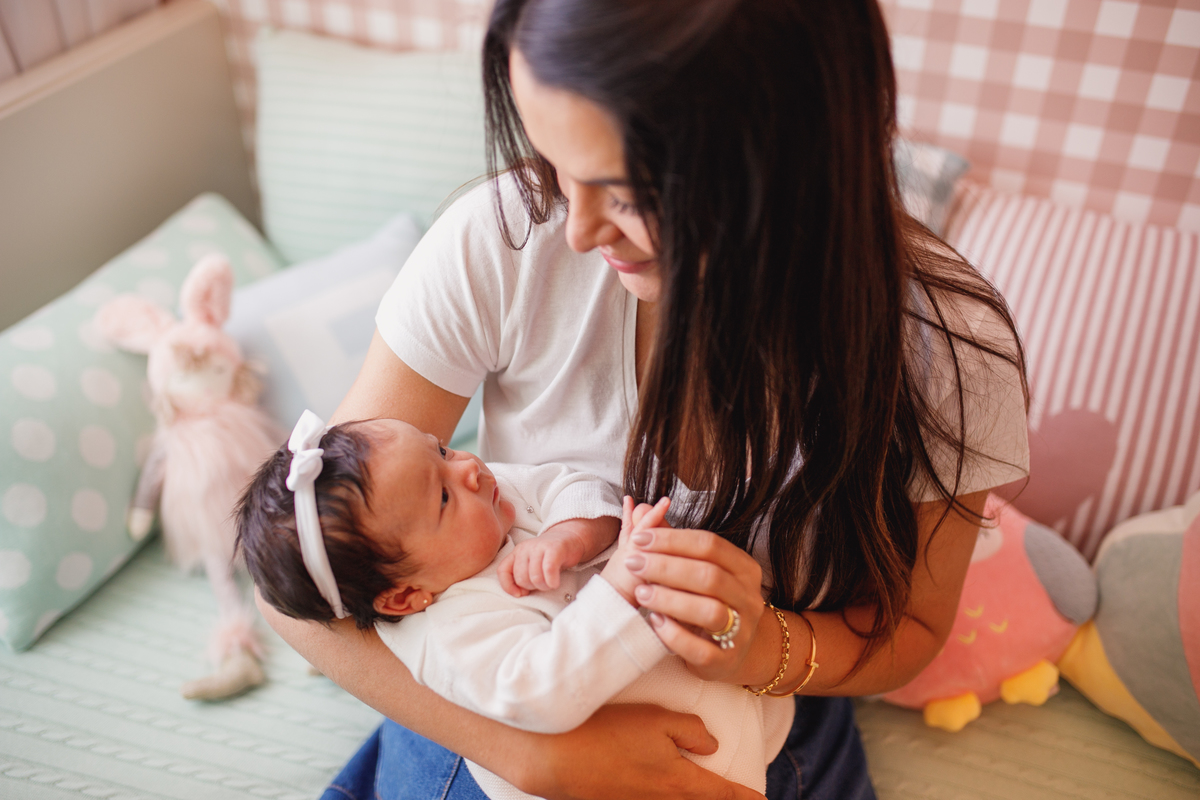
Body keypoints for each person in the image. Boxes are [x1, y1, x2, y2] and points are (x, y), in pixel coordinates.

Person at [258, 2, 1030, 799]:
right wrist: (534, 757)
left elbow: (913, 630)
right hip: (497, 710)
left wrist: (762, 646)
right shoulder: (509, 239)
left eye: (625, 195)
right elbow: (297, 589)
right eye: (554, 157)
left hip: (758, 709)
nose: (580, 230)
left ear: (785, 169)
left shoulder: (944, 352)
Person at [238, 412, 786, 796]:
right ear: (406, 595)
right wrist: (618, 584)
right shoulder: (449, 634)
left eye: (442, 449)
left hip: (718, 693)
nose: (470, 468)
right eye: (444, 496)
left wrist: (571, 536)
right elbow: (542, 690)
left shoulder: (493, 497)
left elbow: (565, 485)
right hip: (617, 770)